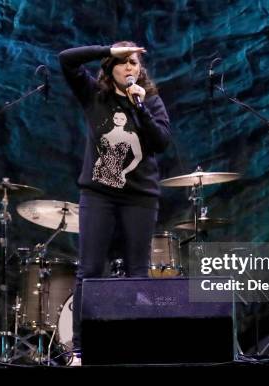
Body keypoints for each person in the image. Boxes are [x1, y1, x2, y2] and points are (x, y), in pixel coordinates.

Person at [59, 42, 171, 365]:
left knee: (138, 272)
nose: (129, 68)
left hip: (140, 197)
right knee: (90, 270)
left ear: (140, 69)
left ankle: (137, 346)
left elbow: (160, 141)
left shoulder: (149, 100)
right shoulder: (95, 95)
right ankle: (79, 351)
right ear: (109, 69)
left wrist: (140, 108)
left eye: (133, 63)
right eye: (121, 63)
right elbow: (65, 60)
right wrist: (108, 48)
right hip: (99, 194)